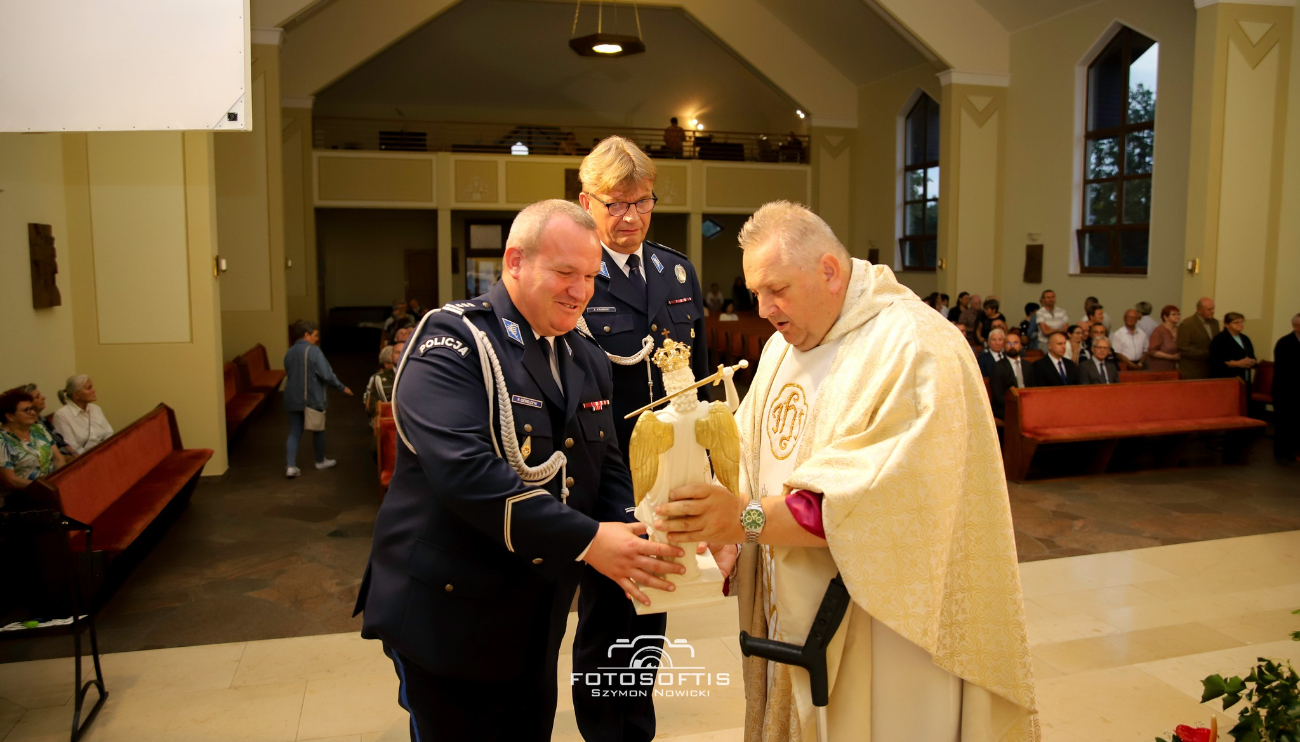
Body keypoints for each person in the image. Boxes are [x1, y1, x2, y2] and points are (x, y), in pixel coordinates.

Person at [653, 202, 1037, 741]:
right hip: (790, 607)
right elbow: (748, 448)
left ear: (829, 271)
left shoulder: (915, 348)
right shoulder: (786, 347)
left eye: (776, 289)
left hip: (885, 628)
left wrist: (744, 521)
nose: (763, 308)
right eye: (756, 292)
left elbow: (864, 504)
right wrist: (725, 526)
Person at [353, 200, 684, 742]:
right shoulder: (453, 343)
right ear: (514, 262)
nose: (580, 291)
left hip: (533, 612)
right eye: (563, 273)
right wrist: (593, 541)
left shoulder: (586, 357)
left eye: (589, 276)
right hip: (450, 614)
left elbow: (605, 467)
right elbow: (467, 474)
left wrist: (641, 534)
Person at [575, 135, 709, 741]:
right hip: (607, 474)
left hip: (669, 468)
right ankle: (606, 731)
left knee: (653, 608)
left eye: (641, 202)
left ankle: (637, 724)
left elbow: (698, 376)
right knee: (606, 611)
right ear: (587, 202)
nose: (629, 217)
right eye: (615, 204)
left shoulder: (675, 269)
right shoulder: (576, 274)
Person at [283, 320, 352, 478]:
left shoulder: (290, 351)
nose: (317, 338)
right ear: (306, 335)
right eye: (315, 335)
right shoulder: (314, 352)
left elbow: (288, 369)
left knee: (294, 431)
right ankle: (320, 461)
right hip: (312, 398)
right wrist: (341, 387)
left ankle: (291, 465)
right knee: (318, 430)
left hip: (292, 397)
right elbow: (326, 374)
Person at [1, 389, 68, 500]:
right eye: (26, 410)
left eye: (32, 408)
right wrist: (46, 488)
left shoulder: (38, 429)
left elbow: (58, 457)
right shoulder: (2, 441)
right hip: (23, 497)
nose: (32, 413)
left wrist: (59, 481)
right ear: (10, 416)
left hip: (53, 489)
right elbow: (11, 480)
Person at [50, 375, 112, 455]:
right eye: (89, 388)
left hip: (105, 453)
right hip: (84, 459)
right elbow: (71, 447)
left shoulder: (96, 409)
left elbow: (109, 433)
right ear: (76, 395)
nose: (94, 391)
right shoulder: (62, 415)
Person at [14, 384, 74, 459]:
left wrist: (74, 454)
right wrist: (73, 459)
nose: (44, 397)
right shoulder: (29, 427)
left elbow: (60, 439)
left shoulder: (41, 419)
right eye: (37, 397)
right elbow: (50, 455)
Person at [1273, 314, 1300, 465]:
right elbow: (1284, 369)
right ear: (1296, 327)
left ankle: (1295, 450)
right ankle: (1282, 452)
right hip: (1286, 390)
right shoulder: (1285, 343)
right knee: (1285, 422)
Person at [990, 332, 1034, 419]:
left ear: (1021, 346)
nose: (1012, 346)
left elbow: (1033, 387)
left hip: (1028, 404)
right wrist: (1016, 404)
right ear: (1004, 346)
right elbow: (997, 395)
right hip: (1007, 406)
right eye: (1008, 343)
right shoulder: (998, 367)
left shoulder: (1028, 365)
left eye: (1015, 343)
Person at [1177, 297, 1220, 379]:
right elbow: (1182, 347)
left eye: (1213, 308)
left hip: (1211, 368)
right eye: (1209, 309)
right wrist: (1206, 354)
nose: (1212, 311)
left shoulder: (1214, 323)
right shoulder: (1187, 324)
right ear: (1199, 310)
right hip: (1194, 369)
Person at [1210, 312, 1257, 382]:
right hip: (1227, 378)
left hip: (1245, 377)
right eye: (1236, 322)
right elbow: (1216, 361)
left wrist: (1252, 361)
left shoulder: (1245, 338)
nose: (1240, 324)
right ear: (1227, 325)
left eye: (1241, 322)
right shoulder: (1219, 339)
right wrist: (1238, 363)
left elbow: (1251, 355)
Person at [364, 346, 396, 425]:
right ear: (386, 364)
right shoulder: (376, 379)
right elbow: (368, 405)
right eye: (394, 363)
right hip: (382, 418)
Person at [1146, 305, 1182, 372]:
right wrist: (1172, 357)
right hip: (1160, 366)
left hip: (1175, 366)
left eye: (1178, 314)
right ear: (1165, 317)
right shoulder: (1159, 331)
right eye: (1174, 314)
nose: (1177, 316)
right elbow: (1152, 351)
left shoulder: (1179, 330)